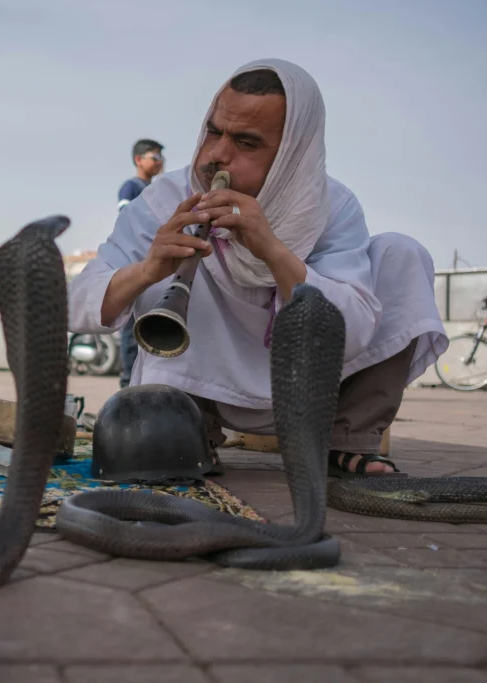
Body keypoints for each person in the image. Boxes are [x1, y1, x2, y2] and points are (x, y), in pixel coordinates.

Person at [68, 59, 447, 477]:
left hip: (313, 390)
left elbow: (353, 332)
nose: (216, 155)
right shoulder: (163, 201)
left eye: (247, 143)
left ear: (292, 152)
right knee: (165, 274)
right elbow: (78, 305)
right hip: (202, 390)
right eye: (214, 131)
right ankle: (192, 432)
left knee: (402, 253)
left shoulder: (332, 207)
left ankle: (347, 439)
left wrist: (273, 251)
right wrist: (147, 270)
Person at [117, 139, 166, 389]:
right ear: (139, 160)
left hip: (155, 271)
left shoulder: (158, 191)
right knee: (132, 331)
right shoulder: (132, 188)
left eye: (160, 158)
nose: (159, 162)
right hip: (137, 267)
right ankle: (128, 387)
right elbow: (129, 224)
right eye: (154, 157)